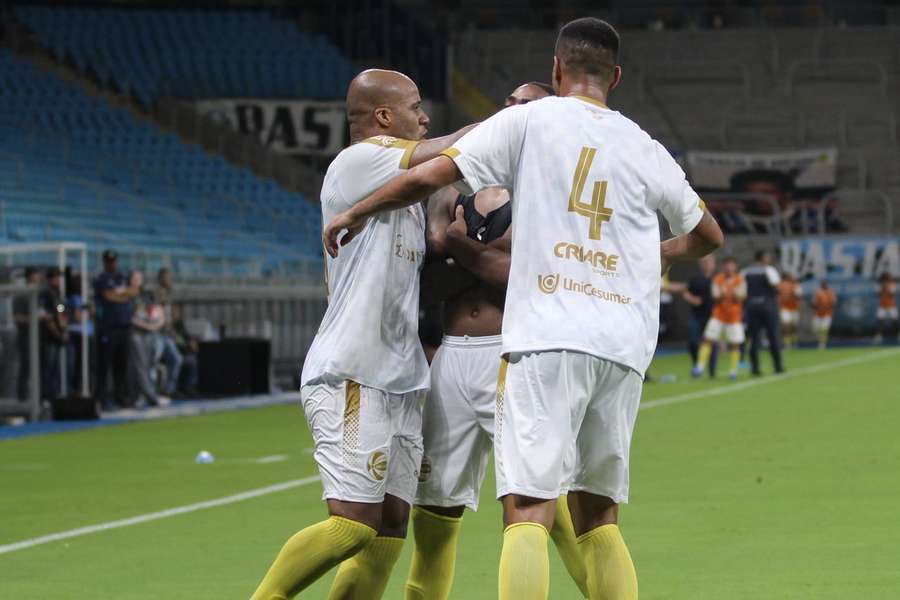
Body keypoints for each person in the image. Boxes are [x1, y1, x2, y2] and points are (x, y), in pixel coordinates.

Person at [323, 18, 724, 600]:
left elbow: (432, 174)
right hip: (624, 344)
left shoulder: (530, 119)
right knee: (598, 517)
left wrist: (356, 210)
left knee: (529, 510)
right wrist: (645, 253)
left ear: (557, 69)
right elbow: (708, 234)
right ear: (614, 76)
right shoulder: (643, 143)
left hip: (548, 336)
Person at [250, 69, 476, 600]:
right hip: (353, 371)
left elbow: (434, 197)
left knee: (392, 523)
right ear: (382, 118)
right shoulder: (358, 162)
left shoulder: (398, 195)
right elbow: (446, 150)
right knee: (353, 523)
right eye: (415, 107)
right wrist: (521, 120)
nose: (424, 118)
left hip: (399, 378)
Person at [407, 82, 589, 600]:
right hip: (451, 356)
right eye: (507, 103)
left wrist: (456, 245)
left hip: (516, 355)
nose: (511, 110)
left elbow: (521, 277)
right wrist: (485, 257)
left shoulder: (554, 189)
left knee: (538, 502)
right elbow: (428, 280)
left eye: (525, 104)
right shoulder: (453, 182)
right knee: (434, 509)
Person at [94, 249, 140, 410]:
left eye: (114, 261)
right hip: (108, 328)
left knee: (122, 364)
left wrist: (123, 295)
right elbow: (109, 296)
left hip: (124, 327)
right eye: (109, 261)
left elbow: (134, 291)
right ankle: (102, 398)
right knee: (104, 365)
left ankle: (121, 396)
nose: (112, 264)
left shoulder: (121, 277)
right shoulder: (102, 279)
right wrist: (124, 295)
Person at [693, 257, 746, 380]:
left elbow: (741, 296)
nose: (728, 267)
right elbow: (715, 296)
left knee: (735, 344)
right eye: (726, 265)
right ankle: (699, 367)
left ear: (735, 267)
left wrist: (729, 292)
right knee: (707, 339)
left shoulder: (740, 279)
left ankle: (733, 371)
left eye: (731, 265)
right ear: (723, 267)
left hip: (734, 316)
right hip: (718, 315)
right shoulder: (718, 279)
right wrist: (727, 293)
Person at [128, 271, 168, 408]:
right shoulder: (127, 296)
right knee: (139, 367)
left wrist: (153, 324)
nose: (137, 281)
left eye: (139, 278)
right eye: (134, 278)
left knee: (148, 366)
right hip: (136, 334)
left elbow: (156, 312)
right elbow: (132, 317)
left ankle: (145, 395)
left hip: (149, 334)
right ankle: (149, 396)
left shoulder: (146, 295)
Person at [742, 250, 784, 376]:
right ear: (762, 258)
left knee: (754, 338)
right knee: (773, 336)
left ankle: (755, 368)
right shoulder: (769, 270)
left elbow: (742, 288)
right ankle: (778, 366)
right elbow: (777, 287)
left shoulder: (746, 271)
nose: (769, 258)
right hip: (767, 307)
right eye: (767, 256)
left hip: (751, 307)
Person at [683, 255, 717, 376]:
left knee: (711, 343)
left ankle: (712, 372)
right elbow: (686, 292)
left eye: (709, 262)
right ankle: (697, 364)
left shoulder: (717, 278)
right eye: (703, 262)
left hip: (713, 316)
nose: (706, 264)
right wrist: (692, 299)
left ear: (713, 263)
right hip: (696, 315)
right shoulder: (695, 278)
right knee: (692, 341)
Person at [38, 267, 69, 400]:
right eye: (56, 277)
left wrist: (64, 327)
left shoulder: (57, 294)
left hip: (57, 337)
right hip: (48, 337)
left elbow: (60, 310)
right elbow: (45, 316)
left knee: (56, 368)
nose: (58, 280)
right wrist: (57, 332)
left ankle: (54, 396)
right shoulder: (45, 294)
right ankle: (45, 397)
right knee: (48, 368)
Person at [13, 266, 41, 401]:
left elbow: (58, 307)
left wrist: (59, 311)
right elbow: (16, 317)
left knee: (41, 369)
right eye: (36, 275)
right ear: (29, 276)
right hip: (25, 337)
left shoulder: (41, 294)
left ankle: (40, 398)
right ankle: (23, 399)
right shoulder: (22, 295)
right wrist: (33, 319)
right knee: (26, 368)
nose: (38, 278)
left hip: (41, 338)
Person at [155, 268, 183, 397]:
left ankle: (169, 390)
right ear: (160, 278)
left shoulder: (171, 293)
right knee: (153, 362)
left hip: (168, 333)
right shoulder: (156, 293)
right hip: (157, 333)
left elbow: (174, 315)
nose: (168, 280)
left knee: (177, 359)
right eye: (165, 277)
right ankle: (151, 392)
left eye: (169, 277)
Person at [778, 271, 802, 349]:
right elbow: (777, 294)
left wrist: (795, 293)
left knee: (793, 326)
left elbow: (799, 295)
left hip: (794, 308)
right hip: (785, 308)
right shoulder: (780, 285)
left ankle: (794, 341)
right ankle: (787, 343)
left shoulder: (796, 285)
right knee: (786, 325)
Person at [812, 280, 837, 349]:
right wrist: (818, 306)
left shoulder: (830, 292)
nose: (824, 285)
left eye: (825, 284)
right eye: (823, 284)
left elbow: (834, 303)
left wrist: (828, 306)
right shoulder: (817, 292)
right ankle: (820, 341)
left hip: (827, 314)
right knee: (816, 329)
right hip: (818, 314)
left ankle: (822, 344)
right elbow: (813, 303)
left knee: (824, 329)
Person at [874, 273, 898, 344]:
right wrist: (882, 288)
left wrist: (887, 287)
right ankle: (878, 335)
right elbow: (878, 294)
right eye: (884, 280)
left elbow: (892, 294)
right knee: (880, 321)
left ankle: (897, 334)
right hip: (882, 306)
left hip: (891, 306)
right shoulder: (881, 285)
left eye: (886, 279)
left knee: (895, 321)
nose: (885, 281)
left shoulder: (892, 284)